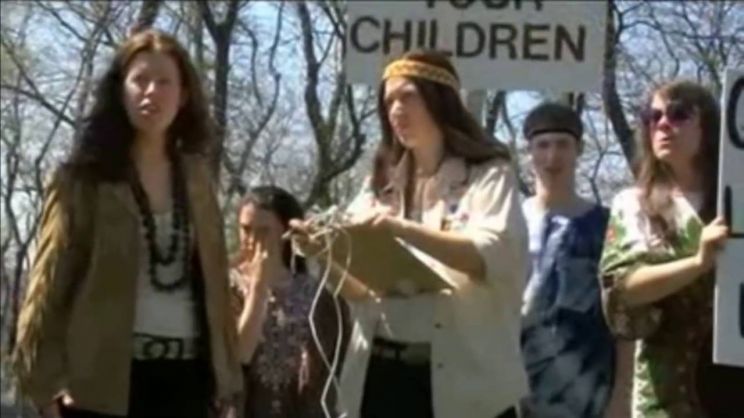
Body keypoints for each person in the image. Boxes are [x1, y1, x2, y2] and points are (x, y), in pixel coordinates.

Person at [12, 29, 242, 418]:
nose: (152, 92)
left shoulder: (198, 179)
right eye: (140, 80)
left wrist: (227, 381)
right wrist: (43, 383)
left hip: (188, 381)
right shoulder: (83, 180)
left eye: (164, 81)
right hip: (100, 386)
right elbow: (50, 285)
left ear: (184, 95)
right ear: (121, 92)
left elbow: (216, 286)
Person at [293, 50, 529, 418]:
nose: (396, 110)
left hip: (465, 386)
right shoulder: (379, 185)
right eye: (389, 101)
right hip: (381, 376)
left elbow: (491, 254)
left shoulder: (488, 174)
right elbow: (360, 292)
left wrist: (403, 229)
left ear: (440, 100)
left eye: (408, 96)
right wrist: (322, 251)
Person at [599, 80, 744, 417]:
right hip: (666, 397)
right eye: (653, 116)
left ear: (707, 126)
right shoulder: (635, 204)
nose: (663, 124)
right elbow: (622, 289)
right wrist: (697, 262)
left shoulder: (736, 199)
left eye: (679, 114)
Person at [518, 102, 631, 418]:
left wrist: (622, 395)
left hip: (589, 385)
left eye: (562, 145)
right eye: (543, 145)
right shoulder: (508, 222)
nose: (552, 157)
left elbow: (623, 315)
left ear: (578, 150)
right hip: (515, 382)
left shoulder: (606, 225)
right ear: (529, 153)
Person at [230, 186, 347, 418]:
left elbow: (328, 370)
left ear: (285, 233)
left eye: (264, 231)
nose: (252, 240)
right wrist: (258, 286)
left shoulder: (316, 294)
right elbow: (238, 354)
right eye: (246, 229)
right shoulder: (228, 286)